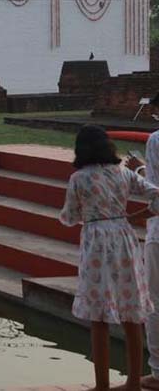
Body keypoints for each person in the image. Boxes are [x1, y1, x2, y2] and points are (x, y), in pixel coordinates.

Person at [59, 125, 159, 391]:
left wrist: (88, 215)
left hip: (96, 242)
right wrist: (137, 217)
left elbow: (69, 216)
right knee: (132, 312)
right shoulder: (123, 173)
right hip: (124, 239)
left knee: (99, 315)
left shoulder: (79, 179)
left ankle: (102, 385)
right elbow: (156, 194)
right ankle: (133, 384)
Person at [141, 132, 159, 391]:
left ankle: (158, 371)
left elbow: (155, 198)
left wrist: (140, 172)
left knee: (155, 301)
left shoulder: (156, 140)